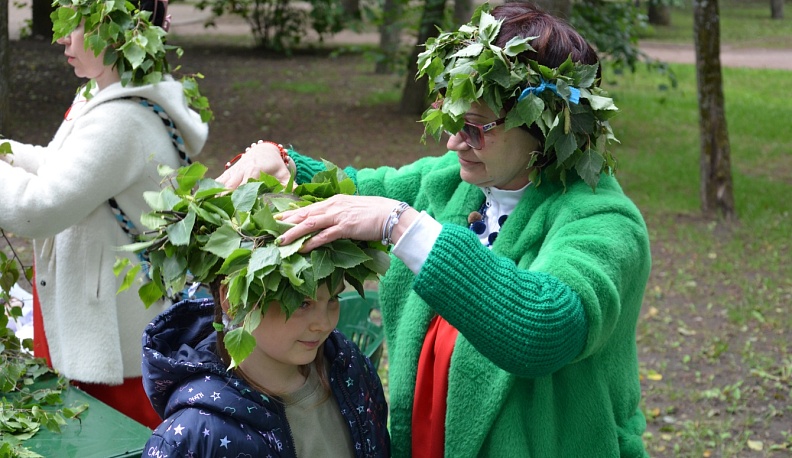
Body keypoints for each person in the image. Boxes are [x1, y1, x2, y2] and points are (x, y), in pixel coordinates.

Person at [218, 2, 652, 456]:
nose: (453, 142)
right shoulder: (451, 183)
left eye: (475, 128)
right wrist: (281, 162)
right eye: (449, 120)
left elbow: (548, 328)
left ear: (545, 128)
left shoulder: (603, 220)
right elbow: (353, 192)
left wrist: (400, 225)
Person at [0, 0, 208, 428]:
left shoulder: (121, 120)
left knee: (105, 439)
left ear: (115, 34)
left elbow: (36, 209)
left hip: (109, 340)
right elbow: (62, 168)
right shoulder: (103, 96)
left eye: (74, 26)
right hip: (91, 312)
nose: (60, 38)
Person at [141, 280, 391, 457]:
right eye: (302, 302)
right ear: (234, 299)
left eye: (333, 298)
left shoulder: (350, 369)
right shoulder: (192, 437)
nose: (324, 323)